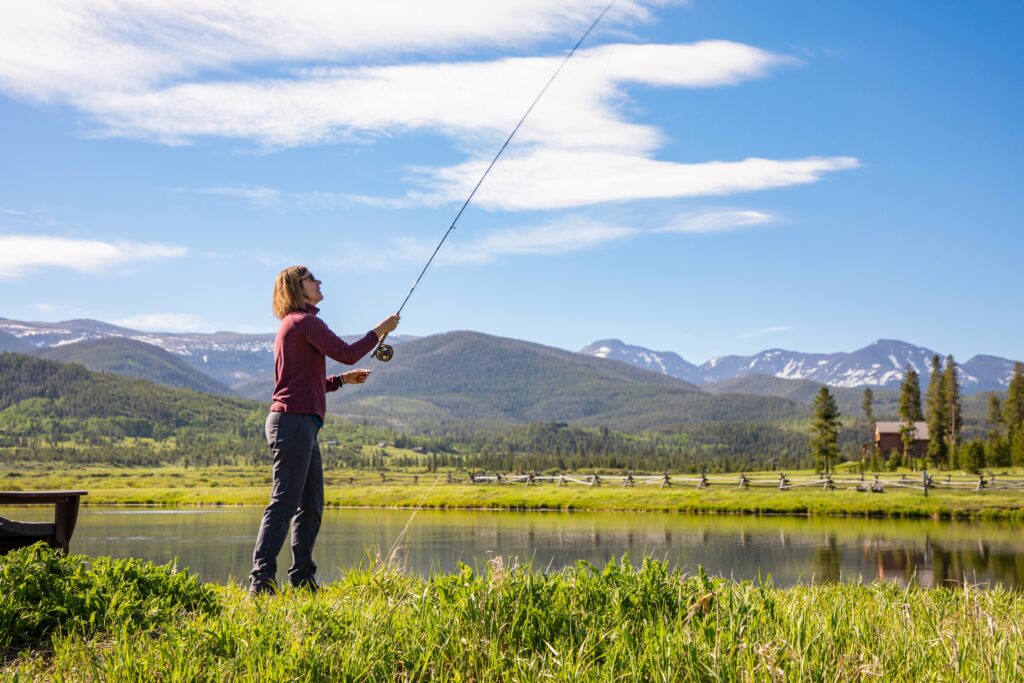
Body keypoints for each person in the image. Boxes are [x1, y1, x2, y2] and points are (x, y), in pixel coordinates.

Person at [249, 265, 400, 595]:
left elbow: (306, 380)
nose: (319, 283)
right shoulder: (305, 322)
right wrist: (380, 330)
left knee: (311, 505)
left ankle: (302, 579)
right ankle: (260, 583)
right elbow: (346, 354)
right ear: (297, 288)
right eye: (312, 280)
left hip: (301, 422)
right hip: (293, 422)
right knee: (285, 504)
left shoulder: (294, 325)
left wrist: (343, 381)